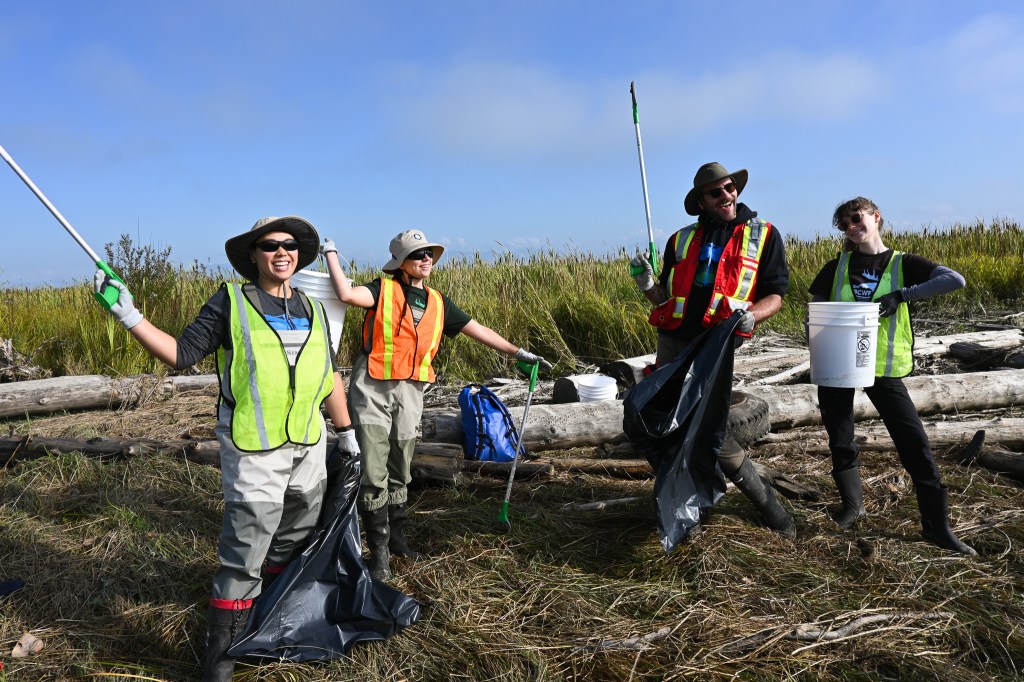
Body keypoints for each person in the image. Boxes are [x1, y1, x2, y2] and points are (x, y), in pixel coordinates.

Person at [93, 216, 360, 680]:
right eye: (270, 245)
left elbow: (329, 375)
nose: (282, 252)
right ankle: (220, 665)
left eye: (290, 245)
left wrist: (347, 432)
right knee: (245, 549)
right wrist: (128, 314)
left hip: (309, 445)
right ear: (253, 255)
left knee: (295, 532)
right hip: (254, 448)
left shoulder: (314, 309)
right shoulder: (230, 302)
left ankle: (266, 625)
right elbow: (180, 354)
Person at [321, 229, 551, 581]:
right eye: (418, 254)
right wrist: (331, 254)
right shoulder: (382, 290)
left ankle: (397, 540)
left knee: (401, 465)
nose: (426, 259)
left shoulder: (439, 303)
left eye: (429, 253)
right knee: (373, 465)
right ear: (401, 263)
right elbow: (345, 295)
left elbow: (479, 329)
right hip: (372, 388)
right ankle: (378, 553)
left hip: (411, 391)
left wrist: (518, 352)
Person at [629, 162, 796, 538]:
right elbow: (665, 297)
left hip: (715, 345)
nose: (727, 196)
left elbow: (776, 294)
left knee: (708, 426)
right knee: (664, 423)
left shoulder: (763, 234)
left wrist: (753, 315)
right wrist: (645, 283)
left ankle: (770, 508)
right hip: (674, 341)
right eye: (716, 192)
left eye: (729, 188)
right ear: (701, 201)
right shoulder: (681, 240)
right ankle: (685, 511)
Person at [808, 197, 975, 555]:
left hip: (881, 367)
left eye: (856, 218)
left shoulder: (903, 263)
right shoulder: (835, 267)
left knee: (914, 442)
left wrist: (902, 295)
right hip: (838, 365)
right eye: (845, 224)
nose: (852, 227)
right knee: (840, 436)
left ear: (875, 216)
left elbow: (954, 280)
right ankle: (853, 508)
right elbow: (815, 313)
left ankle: (936, 527)